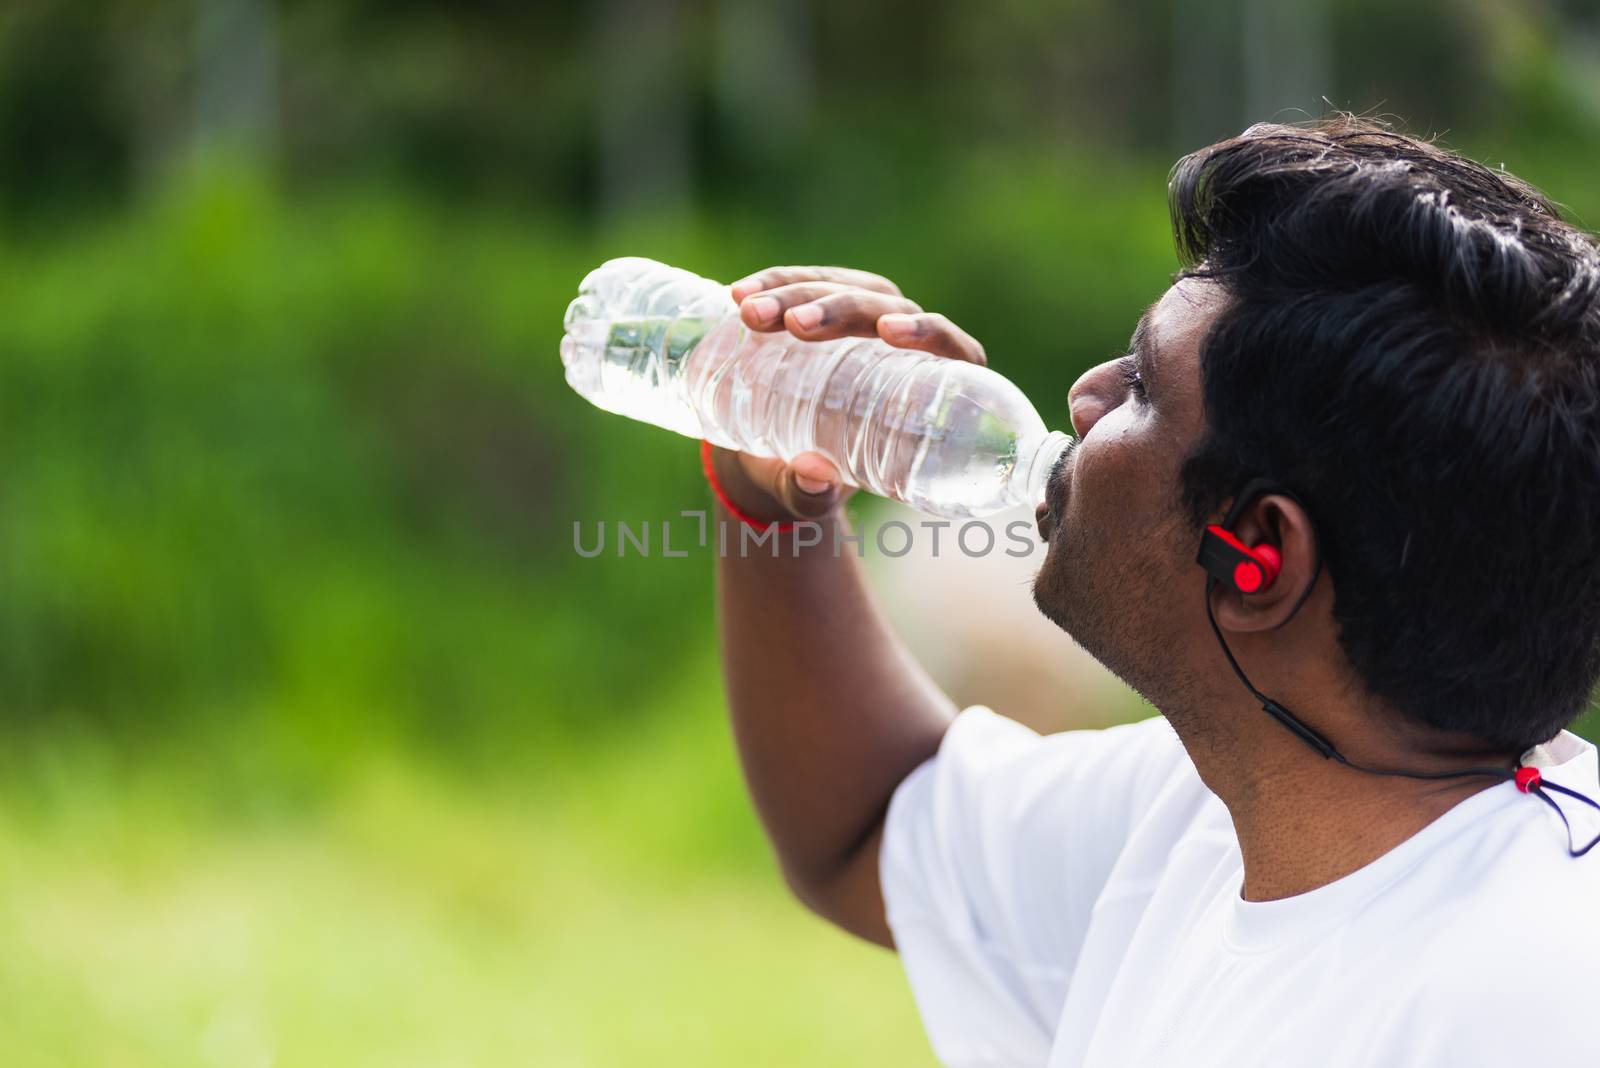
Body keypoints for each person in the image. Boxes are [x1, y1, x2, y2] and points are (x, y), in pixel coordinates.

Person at [704, 117, 1600, 1067]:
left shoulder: (1524, 1002)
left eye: (1141, 388)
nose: (1081, 398)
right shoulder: (1212, 814)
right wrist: (776, 507)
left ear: (1256, 555)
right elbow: (871, 825)